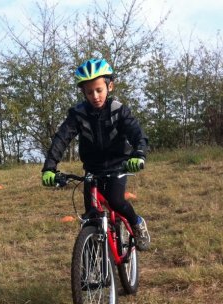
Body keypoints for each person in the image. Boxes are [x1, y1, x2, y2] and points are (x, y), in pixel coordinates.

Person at [41, 58, 151, 250]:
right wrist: (49, 168)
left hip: (118, 165)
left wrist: (138, 154)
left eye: (99, 90)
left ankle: (137, 223)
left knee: (116, 201)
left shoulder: (118, 110)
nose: (95, 96)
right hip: (92, 169)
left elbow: (136, 133)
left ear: (110, 86)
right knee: (91, 216)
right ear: (83, 92)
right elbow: (61, 139)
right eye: (89, 91)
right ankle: (93, 263)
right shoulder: (78, 114)